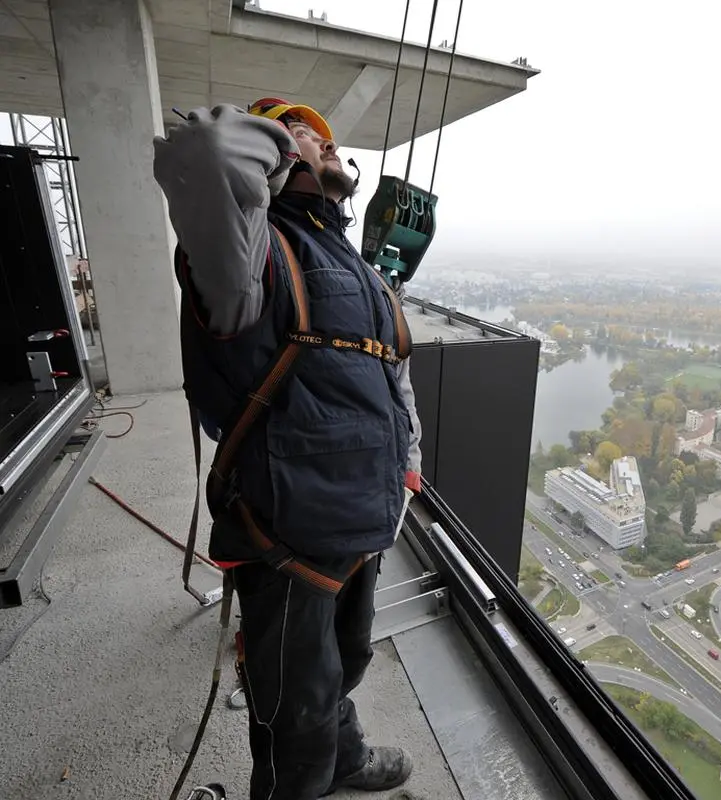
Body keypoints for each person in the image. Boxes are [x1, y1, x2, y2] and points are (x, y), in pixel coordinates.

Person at [153, 99, 422, 799]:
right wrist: (282, 142)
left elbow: (393, 376)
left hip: (362, 524)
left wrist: (409, 468)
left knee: (345, 662)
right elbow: (205, 152)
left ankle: (344, 758)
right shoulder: (249, 254)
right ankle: (306, 777)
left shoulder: (360, 271)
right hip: (287, 536)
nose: (326, 143)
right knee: (291, 715)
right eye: (307, 134)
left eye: (330, 139)